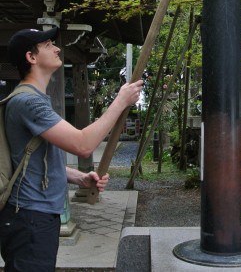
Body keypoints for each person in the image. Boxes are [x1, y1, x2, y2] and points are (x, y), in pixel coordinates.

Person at [0, 27, 143, 272]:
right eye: (47, 45)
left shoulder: (34, 99)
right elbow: (83, 145)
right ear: (31, 57)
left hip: (36, 216)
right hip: (30, 217)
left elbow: (32, 159)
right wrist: (120, 101)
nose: (57, 48)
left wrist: (79, 177)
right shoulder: (28, 101)